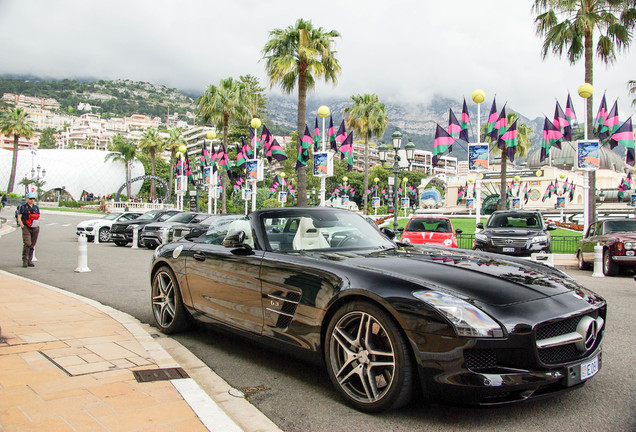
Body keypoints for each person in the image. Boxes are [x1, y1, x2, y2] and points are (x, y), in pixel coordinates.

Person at [17, 192, 40, 268]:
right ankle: (25, 260)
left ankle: (30, 260)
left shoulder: (36, 207)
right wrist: (23, 226)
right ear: (27, 199)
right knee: (27, 243)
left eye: (33, 198)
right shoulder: (23, 207)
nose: (32, 200)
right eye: (30, 198)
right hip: (26, 227)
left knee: (32, 245)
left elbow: (38, 217)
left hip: (35, 227)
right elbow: (19, 217)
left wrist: (38, 226)